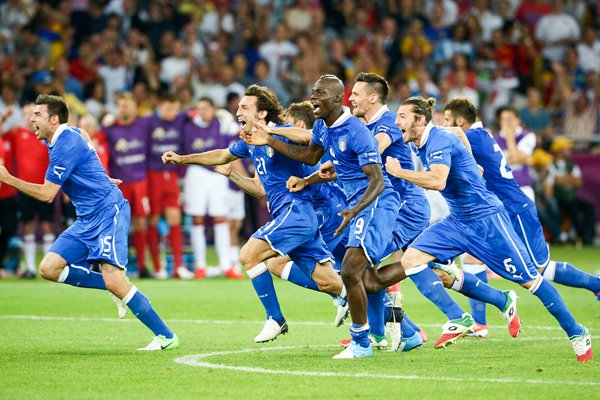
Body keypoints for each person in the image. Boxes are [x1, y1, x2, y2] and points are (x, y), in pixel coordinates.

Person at [385, 96, 591, 362]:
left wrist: (400, 172)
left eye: (402, 116)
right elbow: (459, 131)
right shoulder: (425, 139)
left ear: (420, 120)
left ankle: (576, 332)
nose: (396, 121)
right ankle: (459, 316)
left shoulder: (438, 140)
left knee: (531, 279)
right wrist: (472, 162)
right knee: (411, 259)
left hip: (487, 221)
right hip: (458, 220)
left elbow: (437, 180)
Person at [242, 75, 413, 359]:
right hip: (354, 205)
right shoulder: (322, 126)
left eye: (318, 93)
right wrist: (298, 171)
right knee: (364, 279)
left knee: (349, 271)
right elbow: (309, 157)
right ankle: (401, 299)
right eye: (312, 92)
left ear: (336, 98)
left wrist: (355, 210)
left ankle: (362, 342)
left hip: (375, 202)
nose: (312, 98)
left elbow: (378, 180)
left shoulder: (357, 130)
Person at [162, 84, 344, 343]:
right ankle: (394, 318)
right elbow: (222, 155)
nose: (238, 111)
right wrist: (183, 159)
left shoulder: (278, 132)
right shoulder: (249, 143)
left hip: (297, 212)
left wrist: (269, 131)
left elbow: (310, 138)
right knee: (331, 283)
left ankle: (275, 318)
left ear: (262, 114)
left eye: (244, 107)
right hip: (294, 216)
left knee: (249, 254)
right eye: (238, 107)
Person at [0, 94, 178, 351]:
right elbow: (85, 136)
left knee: (116, 281)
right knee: (49, 268)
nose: (31, 119)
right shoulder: (66, 136)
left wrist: (8, 179)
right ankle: (114, 287)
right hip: (87, 218)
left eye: (37, 115)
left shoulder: (64, 144)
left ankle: (166, 335)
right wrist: (101, 177)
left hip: (108, 212)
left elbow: (48, 194)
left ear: (53, 119)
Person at [441, 98, 600, 338]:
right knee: (472, 258)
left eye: (446, 119)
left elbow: (447, 136)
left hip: (515, 209)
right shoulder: (482, 135)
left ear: (459, 120)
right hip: (495, 212)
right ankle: (479, 324)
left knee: (540, 268)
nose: (444, 123)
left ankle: (595, 286)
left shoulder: (474, 136)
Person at [181, 97, 242, 279]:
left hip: (217, 174)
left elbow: (234, 138)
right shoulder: (188, 126)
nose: (202, 112)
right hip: (197, 173)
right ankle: (200, 265)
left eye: (206, 108)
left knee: (221, 218)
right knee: (197, 219)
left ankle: (226, 265)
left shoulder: (222, 123)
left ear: (213, 108)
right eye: (199, 108)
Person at [103, 92, 152, 278]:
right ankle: (117, 264)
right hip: (120, 183)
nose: (124, 109)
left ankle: (141, 265)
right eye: (121, 106)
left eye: (127, 105)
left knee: (141, 223)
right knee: (118, 224)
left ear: (134, 106)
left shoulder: (144, 124)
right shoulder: (109, 129)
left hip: (140, 181)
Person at [4, 103, 55, 279]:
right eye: (26, 113)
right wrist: (4, 118)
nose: (29, 117)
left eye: (33, 113)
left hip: (45, 187)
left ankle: (48, 268)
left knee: (47, 224)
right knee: (28, 225)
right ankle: (32, 268)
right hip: (25, 188)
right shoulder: (16, 134)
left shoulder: (46, 135)